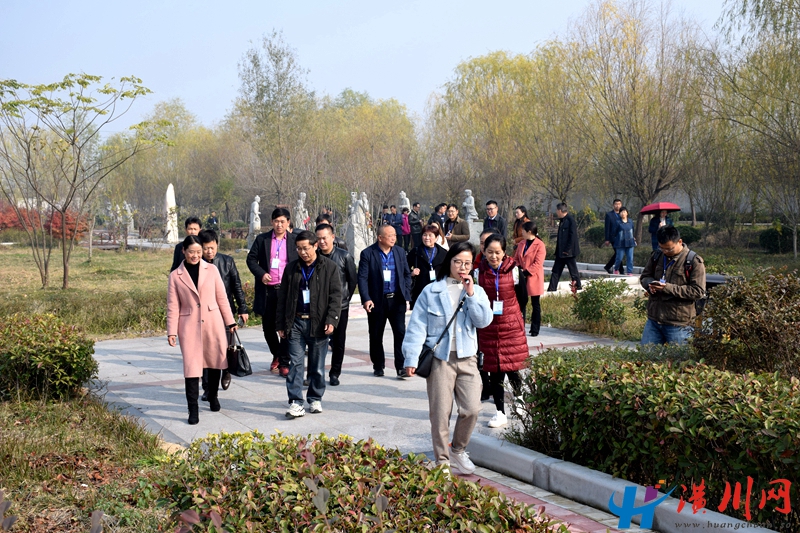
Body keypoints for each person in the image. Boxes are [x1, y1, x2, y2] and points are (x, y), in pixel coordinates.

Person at [401, 242, 493, 474]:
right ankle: (442, 460)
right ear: (449, 262)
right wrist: (411, 358)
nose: (462, 267)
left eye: (467, 263)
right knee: (440, 413)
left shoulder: (476, 291)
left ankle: (458, 450)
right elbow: (417, 327)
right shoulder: (431, 291)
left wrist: (471, 295)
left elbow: (483, 322)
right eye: (458, 262)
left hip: (467, 358)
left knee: (472, 408)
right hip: (440, 360)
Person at [167, 235, 238, 425]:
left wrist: (230, 322)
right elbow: (173, 306)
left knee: (215, 362)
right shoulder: (175, 276)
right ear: (184, 251)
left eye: (199, 252)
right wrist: (171, 331)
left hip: (213, 323)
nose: (195, 255)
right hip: (188, 326)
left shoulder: (212, 270)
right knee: (191, 368)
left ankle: (213, 396)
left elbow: (222, 298)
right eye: (192, 252)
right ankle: (193, 409)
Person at [276, 231, 342, 418]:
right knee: (295, 364)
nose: (302, 252)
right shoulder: (292, 268)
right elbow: (282, 298)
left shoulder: (329, 267)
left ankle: (315, 397)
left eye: (306, 248)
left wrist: (331, 320)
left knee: (317, 366)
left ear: (315, 246)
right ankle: (296, 402)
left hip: (318, 323)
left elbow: (336, 296)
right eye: (299, 249)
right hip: (296, 322)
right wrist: (280, 324)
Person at [475, 234, 528, 428]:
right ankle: (500, 412)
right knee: (494, 371)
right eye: (490, 252)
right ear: (484, 251)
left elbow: (523, 298)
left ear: (504, 252)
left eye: (497, 252)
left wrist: (514, 317)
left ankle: (519, 400)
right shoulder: (478, 273)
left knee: (513, 368)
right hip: (489, 328)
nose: (493, 256)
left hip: (510, 327)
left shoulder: (515, 271)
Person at [198, 229, 249, 400]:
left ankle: (226, 370)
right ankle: (208, 388)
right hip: (204, 315)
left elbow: (237, 286)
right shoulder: (196, 265)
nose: (209, 252)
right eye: (205, 248)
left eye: (212, 248)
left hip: (224, 312)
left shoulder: (227, 262)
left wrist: (243, 309)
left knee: (226, 346)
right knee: (206, 351)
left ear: (217, 245)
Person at [246, 208, 298, 377]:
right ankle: (277, 353)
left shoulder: (294, 241)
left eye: (282, 221)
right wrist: (261, 274)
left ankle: (284, 362)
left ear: (288, 222)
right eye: (276, 221)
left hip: (287, 291)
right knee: (268, 328)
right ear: (271, 222)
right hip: (268, 290)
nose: (279, 225)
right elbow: (251, 259)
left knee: (286, 326)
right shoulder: (263, 239)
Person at [358, 225, 412, 378]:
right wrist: (366, 298)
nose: (394, 238)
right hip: (377, 300)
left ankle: (401, 367)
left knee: (400, 333)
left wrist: (406, 293)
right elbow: (362, 278)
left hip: (397, 300)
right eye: (390, 235)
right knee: (376, 334)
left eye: (394, 235)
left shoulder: (400, 252)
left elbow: (406, 274)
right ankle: (378, 365)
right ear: (380, 238)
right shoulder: (368, 253)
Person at [639, 226, 706, 345]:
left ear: (679, 241)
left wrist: (667, 288)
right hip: (654, 320)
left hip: (679, 323)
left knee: (680, 356)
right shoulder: (657, 256)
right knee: (646, 355)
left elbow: (698, 291)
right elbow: (645, 276)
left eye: (669, 249)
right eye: (662, 248)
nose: (665, 251)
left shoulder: (693, 261)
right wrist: (650, 285)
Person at [315, 223, 357, 386]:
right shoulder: (314, 257)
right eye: (318, 239)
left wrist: (344, 299)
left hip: (340, 306)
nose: (322, 242)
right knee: (317, 342)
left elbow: (352, 281)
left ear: (332, 237)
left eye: (324, 238)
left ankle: (335, 373)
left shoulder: (344, 256)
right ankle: (315, 373)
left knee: (338, 342)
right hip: (318, 307)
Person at [513, 222, 547, 336]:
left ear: (529, 232)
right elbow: (516, 258)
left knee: (535, 304)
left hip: (533, 277)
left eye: (523, 231)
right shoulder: (522, 243)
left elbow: (538, 263)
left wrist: (526, 272)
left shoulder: (540, 245)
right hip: (521, 276)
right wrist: (518, 269)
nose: (521, 233)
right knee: (521, 302)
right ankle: (520, 326)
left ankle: (535, 328)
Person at [407, 224, 448, 309]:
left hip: (438, 290)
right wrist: (412, 273)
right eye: (425, 235)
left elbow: (448, 271)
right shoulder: (415, 252)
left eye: (430, 235)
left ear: (436, 238)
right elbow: (404, 268)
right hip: (420, 290)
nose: (427, 238)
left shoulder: (444, 253)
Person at [547, 203, 582, 291]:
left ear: (560, 211)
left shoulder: (570, 220)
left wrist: (567, 249)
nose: (556, 212)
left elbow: (572, 237)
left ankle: (578, 287)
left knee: (573, 271)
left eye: (556, 210)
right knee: (556, 271)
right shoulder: (562, 220)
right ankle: (551, 289)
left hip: (568, 252)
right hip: (560, 252)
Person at [613, 207, 636, 275]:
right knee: (619, 258)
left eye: (624, 212)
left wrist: (633, 237)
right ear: (619, 214)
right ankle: (616, 268)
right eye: (621, 212)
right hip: (620, 243)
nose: (623, 213)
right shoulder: (617, 222)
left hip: (630, 242)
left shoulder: (630, 221)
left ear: (627, 213)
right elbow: (614, 232)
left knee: (630, 258)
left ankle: (629, 271)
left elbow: (633, 230)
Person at [604, 199, 624, 274]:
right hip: (613, 238)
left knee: (618, 253)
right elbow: (607, 228)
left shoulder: (623, 214)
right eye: (616, 204)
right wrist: (607, 239)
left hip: (622, 237)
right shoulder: (609, 215)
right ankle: (621, 270)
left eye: (619, 204)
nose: (617, 206)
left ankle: (608, 266)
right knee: (618, 253)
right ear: (613, 205)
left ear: (621, 205)